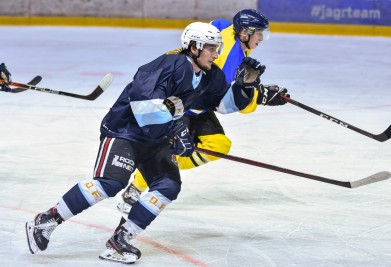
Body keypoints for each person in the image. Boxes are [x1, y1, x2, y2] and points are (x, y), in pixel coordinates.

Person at [25, 22, 267, 264]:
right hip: (125, 131)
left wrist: (245, 86)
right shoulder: (167, 66)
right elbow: (143, 108)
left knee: (168, 186)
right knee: (110, 183)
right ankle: (47, 220)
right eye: (212, 48)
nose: (216, 54)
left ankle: (119, 241)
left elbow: (224, 104)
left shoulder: (209, 73)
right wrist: (176, 129)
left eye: (218, 48)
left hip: (156, 138)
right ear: (194, 48)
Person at [117, 9, 289, 214]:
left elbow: (215, 27)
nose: (261, 38)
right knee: (172, 149)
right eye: (258, 33)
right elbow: (223, 101)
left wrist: (257, 89)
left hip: (197, 105)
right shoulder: (228, 60)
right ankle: (138, 185)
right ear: (244, 33)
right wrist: (258, 97)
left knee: (219, 145)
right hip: (183, 106)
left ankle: (161, 164)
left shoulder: (225, 27)